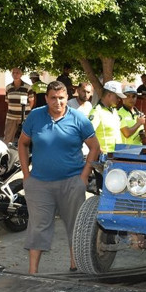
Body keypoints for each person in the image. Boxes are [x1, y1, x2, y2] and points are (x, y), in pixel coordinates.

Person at [19, 81, 101, 273]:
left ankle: (75, 265)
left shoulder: (79, 119)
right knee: (38, 227)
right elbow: (22, 143)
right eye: (53, 98)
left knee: (75, 226)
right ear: (46, 98)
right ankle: (33, 272)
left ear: (67, 98)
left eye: (61, 98)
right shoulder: (35, 116)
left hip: (72, 182)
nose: (57, 102)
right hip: (39, 183)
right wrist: (26, 175)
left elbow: (94, 147)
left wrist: (83, 178)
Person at [89, 80, 125, 153]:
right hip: (104, 157)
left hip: (117, 155)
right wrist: (98, 150)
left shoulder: (114, 111)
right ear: (109, 95)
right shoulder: (97, 111)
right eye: (117, 97)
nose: (119, 100)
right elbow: (88, 134)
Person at [4, 67, 30, 144]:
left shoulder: (27, 87)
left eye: (17, 73)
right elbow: (7, 101)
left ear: (21, 74)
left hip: (25, 117)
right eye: (13, 73)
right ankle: (7, 154)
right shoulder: (8, 87)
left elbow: (32, 101)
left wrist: (25, 111)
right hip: (11, 116)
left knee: (26, 138)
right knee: (8, 138)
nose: (15, 74)